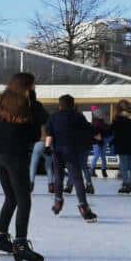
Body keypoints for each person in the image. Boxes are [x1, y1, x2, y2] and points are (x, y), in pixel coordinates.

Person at [0, 74, 47, 261]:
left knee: (12, 197)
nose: (34, 88)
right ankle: (20, 243)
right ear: (27, 87)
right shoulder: (29, 106)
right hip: (15, 156)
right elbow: (35, 133)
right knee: (23, 198)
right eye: (33, 85)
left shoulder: (1, 104)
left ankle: (0, 237)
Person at [45, 94, 97, 222]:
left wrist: (47, 147)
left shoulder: (54, 116)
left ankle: (58, 203)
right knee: (77, 178)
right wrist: (97, 136)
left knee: (58, 176)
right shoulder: (78, 116)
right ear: (73, 105)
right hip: (72, 151)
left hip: (57, 151)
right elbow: (88, 130)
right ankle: (84, 207)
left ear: (60, 105)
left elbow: (49, 134)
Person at [110, 100, 131, 194]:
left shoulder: (117, 118)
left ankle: (126, 184)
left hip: (122, 144)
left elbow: (113, 130)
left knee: (124, 166)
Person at [29, 124, 55, 193]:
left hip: (39, 143)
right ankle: (51, 185)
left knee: (33, 165)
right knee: (48, 166)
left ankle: (31, 184)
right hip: (49, 144)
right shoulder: (52, 126)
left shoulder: (40, 126)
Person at [90, 112, 109, 179]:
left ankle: (103, 170)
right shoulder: (94, 123)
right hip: (96, 142)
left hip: (103, 141)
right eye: (101, 114)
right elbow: (93, 132)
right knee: (97, 155)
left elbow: (106, 131)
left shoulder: (102, 123)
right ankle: (92, 170)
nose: (103, 115)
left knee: (103, 156)